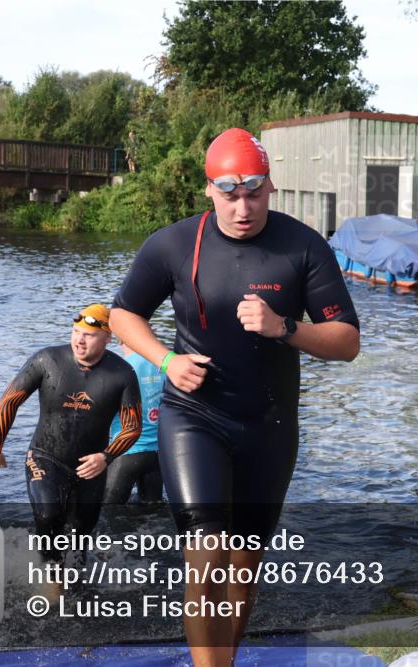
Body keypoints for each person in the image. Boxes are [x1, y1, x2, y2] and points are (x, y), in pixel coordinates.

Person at [109, 128, 360, 666]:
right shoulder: (173, 244)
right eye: (229, 194)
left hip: (268, 426)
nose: (242, 208)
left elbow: (347, 342)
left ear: (270, 187)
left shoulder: (303, 245)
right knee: (206, 555)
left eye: (254, 192)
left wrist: (284, 327)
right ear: (209, 190)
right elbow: (122, 314)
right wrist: (167, 360)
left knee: (242, 577)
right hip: (194, 417)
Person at [0, 304, 142, 566]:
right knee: (47, 514)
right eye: (75, 331)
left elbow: (133, 427)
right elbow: (9, 402)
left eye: (88, 335)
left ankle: (73, 583)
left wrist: (107, 456)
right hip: (45, 455)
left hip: (92, 466)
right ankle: (51, 582)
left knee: (80, 539)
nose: (79, 340)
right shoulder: (47, 360)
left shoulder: (123, 373)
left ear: (107, 337)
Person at [102, 342, 164, 505]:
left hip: (126, 454)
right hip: (157, 457)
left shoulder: (121, 369)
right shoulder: (163, 366)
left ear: (122, 339)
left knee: (107, 515)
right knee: (152, 513)